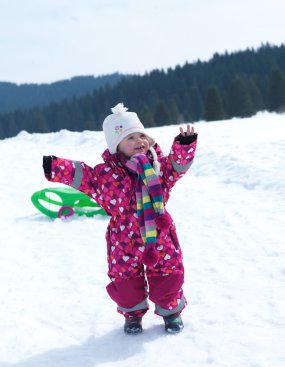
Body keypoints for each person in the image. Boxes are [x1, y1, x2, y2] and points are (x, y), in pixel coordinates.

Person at [43, 103, 198, 335]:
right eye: (130, 138)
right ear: (117, 147)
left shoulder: (158, 166)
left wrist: (184, 146)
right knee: (124, 278)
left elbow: (178, 166)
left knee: (167, 271)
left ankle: (171, 312)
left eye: (141, 136)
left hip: (159, 232)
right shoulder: (105, 175)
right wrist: (55, 166)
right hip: (123, 238)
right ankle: (132, 314)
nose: (139, 141)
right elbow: (82, 175)